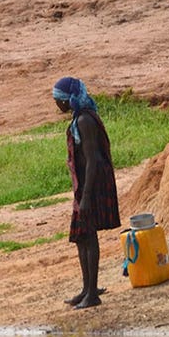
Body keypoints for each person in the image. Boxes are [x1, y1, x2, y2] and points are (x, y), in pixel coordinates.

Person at [53, 76, 120, 309]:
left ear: (68, 100)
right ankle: (86, 289)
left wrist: (88, 196)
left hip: (93, 184)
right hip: (85, 185)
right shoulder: (80, 118)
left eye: (58, 100)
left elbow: (92, 159)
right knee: (82, 236)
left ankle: (92, 293)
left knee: (89, 235)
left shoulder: (84, 121)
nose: (56, 104)